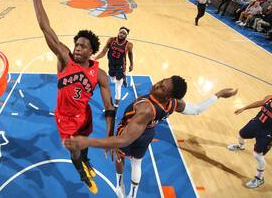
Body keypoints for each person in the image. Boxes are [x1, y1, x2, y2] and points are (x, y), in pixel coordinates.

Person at [64, 76, 237, 198]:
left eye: (162, 87)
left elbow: (124, 140)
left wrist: (87, 141)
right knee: (137, 162)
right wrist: (218, 95)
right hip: (147, 134)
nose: (157, 85)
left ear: (168, 95)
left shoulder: (146, 109)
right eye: (162, 81)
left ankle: (120, 185)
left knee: (119, 155)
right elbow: (197, 109)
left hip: (130, 132)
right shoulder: (173, 103)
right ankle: (131, 194)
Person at [32, 0, 115, 194]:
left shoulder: (100, 74)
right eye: (77, 44)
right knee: (74, 149)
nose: (78, 48)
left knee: (84, 142)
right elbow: (45, 27)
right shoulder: (65, 58)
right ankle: (82, 173)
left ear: (91, 51)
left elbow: (109, 107)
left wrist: (110, 136)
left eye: (83, 46)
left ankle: (86, 160)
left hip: (84, 115)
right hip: (65, 118)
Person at [227, 95, 272, 189]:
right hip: (257, 123)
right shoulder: (270, 97)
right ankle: (241, 146)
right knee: (240, 135)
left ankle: (259, 178)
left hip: (268, 133)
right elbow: (260, 102)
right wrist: (244, 108)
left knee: (257, 155)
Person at [94, 27, 134, 107]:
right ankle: (123, 78)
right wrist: (95, 58)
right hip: (111, 64)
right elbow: (103, 52)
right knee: (112, 79)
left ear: (126, 36)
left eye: (124, 33)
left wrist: (131, 64)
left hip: (121, 67)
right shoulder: (111, 40)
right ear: (118, 33)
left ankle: (116, 104)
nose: (121, 34)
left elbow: (130, 54)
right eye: (121, 32)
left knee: (117, 87)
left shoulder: (128, 45)